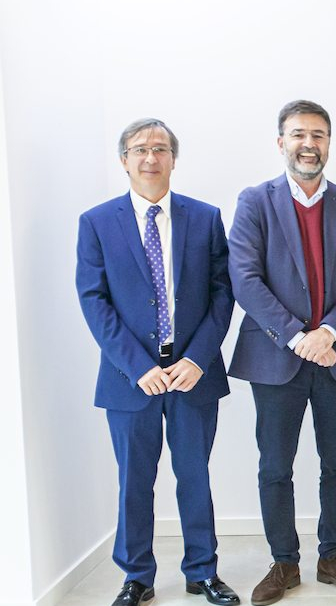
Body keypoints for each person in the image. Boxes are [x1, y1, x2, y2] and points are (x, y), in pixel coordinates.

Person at [76, 118, 240, 606]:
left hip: (192, 374)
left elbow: (222, 294)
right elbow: (94, 300)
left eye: (161, 149)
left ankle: (202, 571)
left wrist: (197, 359)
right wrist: (137, 366)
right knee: (134, 481)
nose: (151, 158)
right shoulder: (97, 222)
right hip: (131, 379)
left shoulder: (205, 217)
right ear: (123, 159)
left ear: (173, 158)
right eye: (140, 149)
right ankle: (136, 577)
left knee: (195, 475)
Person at [228, 100, 336, 606]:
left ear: (329, 143)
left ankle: (332, 555)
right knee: (275, 465)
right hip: (277, 358)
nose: (308, 144)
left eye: (318, 135)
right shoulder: (255, 201)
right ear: (281, 143)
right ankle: (284, 562)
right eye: (298, 134)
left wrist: (330, 332)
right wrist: (298, 335)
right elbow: (245, 280)